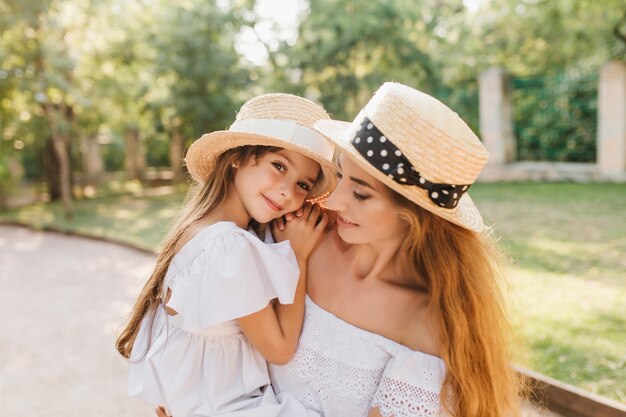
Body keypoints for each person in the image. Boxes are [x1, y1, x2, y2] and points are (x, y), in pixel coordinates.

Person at [268, 82, 522, 417]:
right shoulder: (303, 232)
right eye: (341, 175)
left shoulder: (426, 322)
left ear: (415, 217)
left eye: (360, 194)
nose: (333, 199)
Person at [116, 93, 336, 417]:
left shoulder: (201, 229)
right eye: (278, 166)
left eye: (303, 184)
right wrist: (297, 256)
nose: (288, 191)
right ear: (237, 157)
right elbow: (281, 348)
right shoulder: (228, 248)